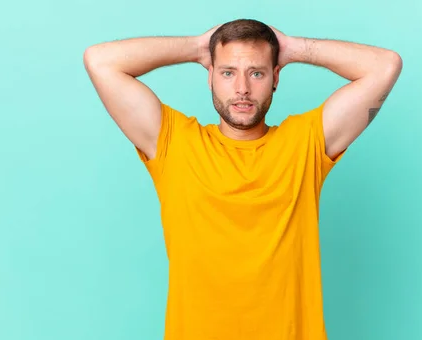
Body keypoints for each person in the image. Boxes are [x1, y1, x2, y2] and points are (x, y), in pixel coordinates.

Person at [83, 18, 402, 340]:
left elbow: (385, 66)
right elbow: (100, 61)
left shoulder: (305, 143)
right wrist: (197, 47)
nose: (242, 89)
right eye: (228, 72)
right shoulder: (172, 143)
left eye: (257, 73)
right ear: (210, 76)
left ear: (275, 77)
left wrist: (291, 48)